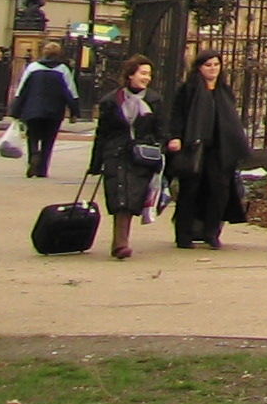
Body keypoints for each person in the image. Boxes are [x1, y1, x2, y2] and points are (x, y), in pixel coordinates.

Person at [163, 51, 249, 248]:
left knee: (219, 190)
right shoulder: (188, 89)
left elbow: (231, 119)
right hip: (194, 147)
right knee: (190, 190)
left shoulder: (224, 91)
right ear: (199, 68)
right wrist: (175, 137)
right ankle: (184, 234)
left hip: (220, 149)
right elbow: (177, 115)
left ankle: (212, 233)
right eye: (208, 65)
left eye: (216, 65)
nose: (213, 69)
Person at [88, 58, 168, 259]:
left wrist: (161, 148)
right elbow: (102, 132)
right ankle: (120, 243)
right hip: (115, 153)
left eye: (149, 74)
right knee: (119, 197)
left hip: (140, 156)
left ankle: (120, 241)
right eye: (143, 73)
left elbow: (161, 129)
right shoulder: (111, 100)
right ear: (130, 75)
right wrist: (96, 163)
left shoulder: (154, 100)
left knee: (132, 197)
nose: (147, 78)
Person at [12, 46, 79, 177]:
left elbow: (22, 90)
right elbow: (71, 92)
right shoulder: (63, 69)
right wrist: (74, 112)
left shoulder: (33, 67)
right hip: (54, 110)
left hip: (33, 109)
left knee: (32, 136)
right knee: (49, 140)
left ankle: (33, 156)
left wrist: (16, 110)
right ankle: (42, 169)